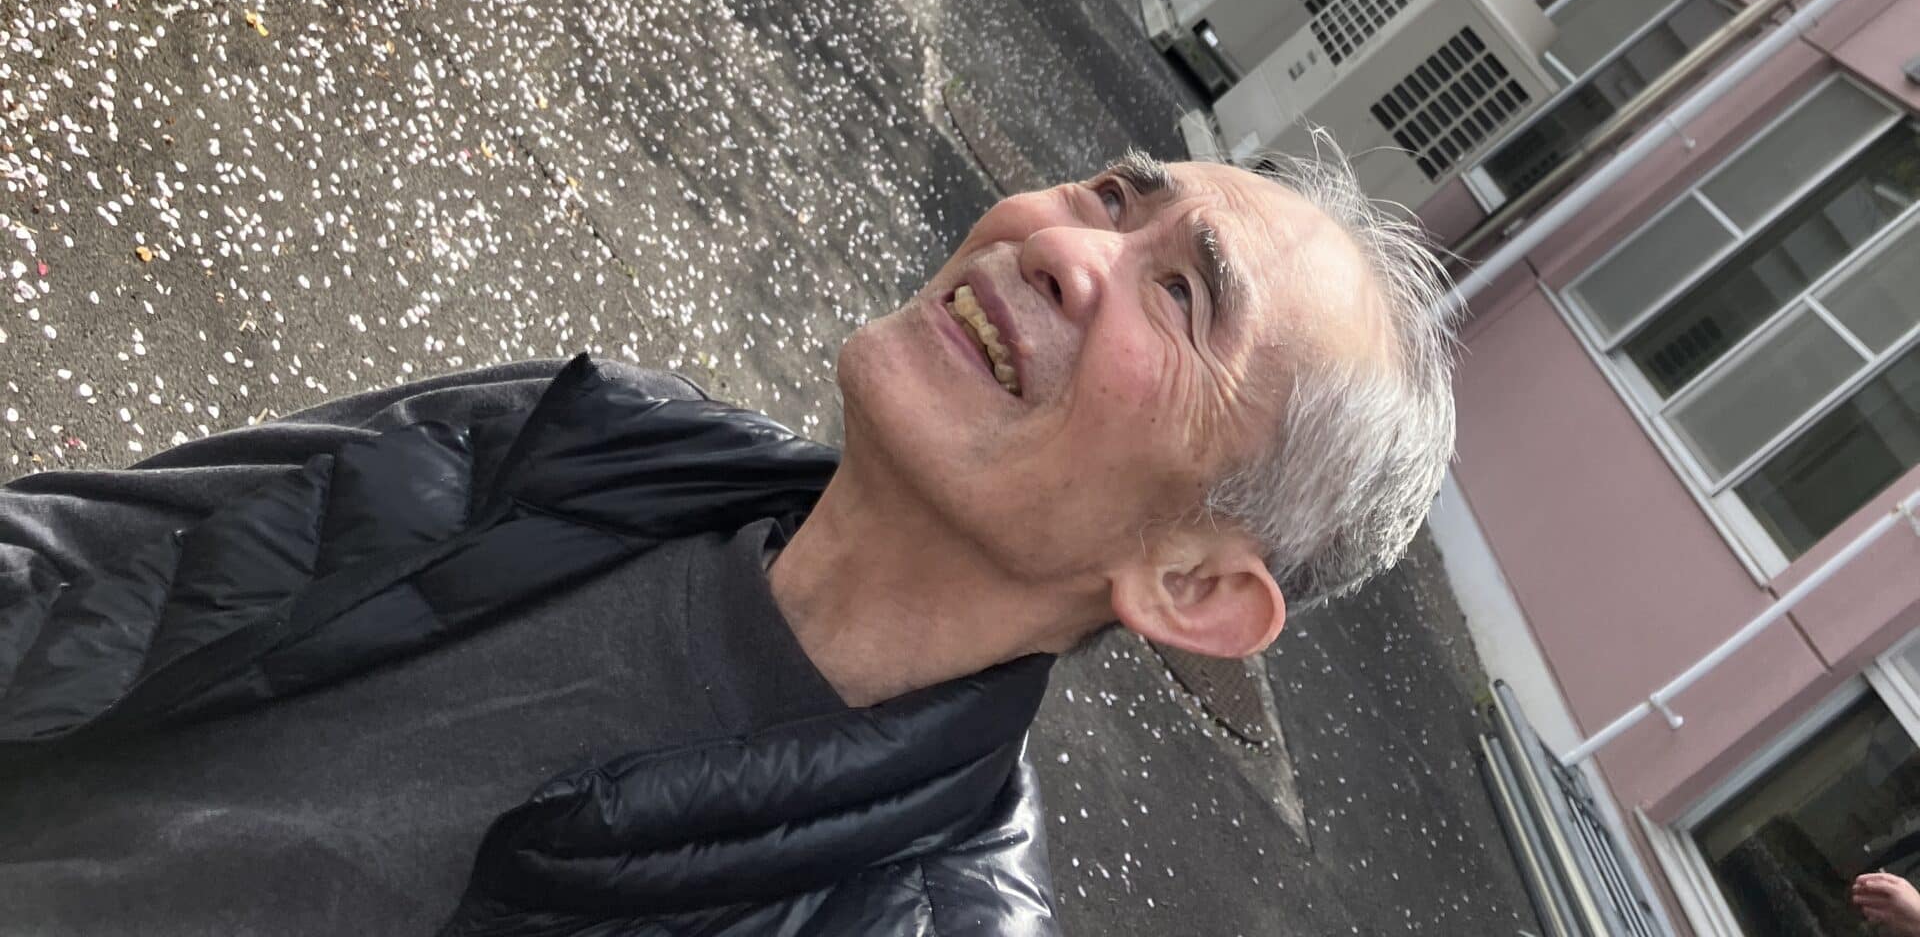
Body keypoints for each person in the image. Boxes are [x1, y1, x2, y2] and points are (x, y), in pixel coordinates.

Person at [0, 143, 1457, 935]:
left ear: (1194, 586)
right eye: (1115, 197)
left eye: (1185, 297)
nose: (1066, 249)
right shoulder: (576, 435)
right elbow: (80, 562)